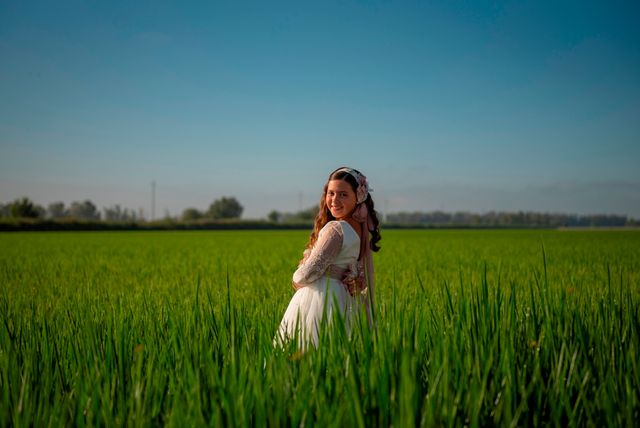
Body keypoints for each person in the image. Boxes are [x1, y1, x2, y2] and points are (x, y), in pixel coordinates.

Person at [275, 167, 381, 348]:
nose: (334, 200)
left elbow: (308, 273)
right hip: (346, 298)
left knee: (308, 348)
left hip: (322, 297)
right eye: (331, 193)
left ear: (359, 196)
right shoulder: (359, 230)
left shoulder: (336, 229)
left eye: (343, 195)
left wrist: (297, 278)